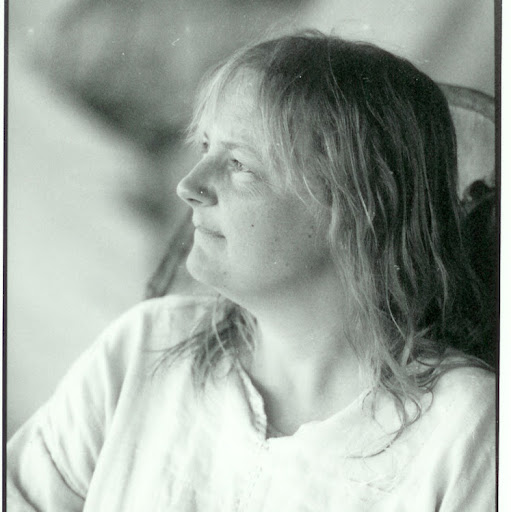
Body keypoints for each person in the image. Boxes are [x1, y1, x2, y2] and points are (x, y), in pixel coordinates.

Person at [7, 31, 496, 511]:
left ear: (359, 205)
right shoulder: (143, 347)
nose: (189, 186)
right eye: (205, 148)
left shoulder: (464, 429)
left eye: (239, 163)